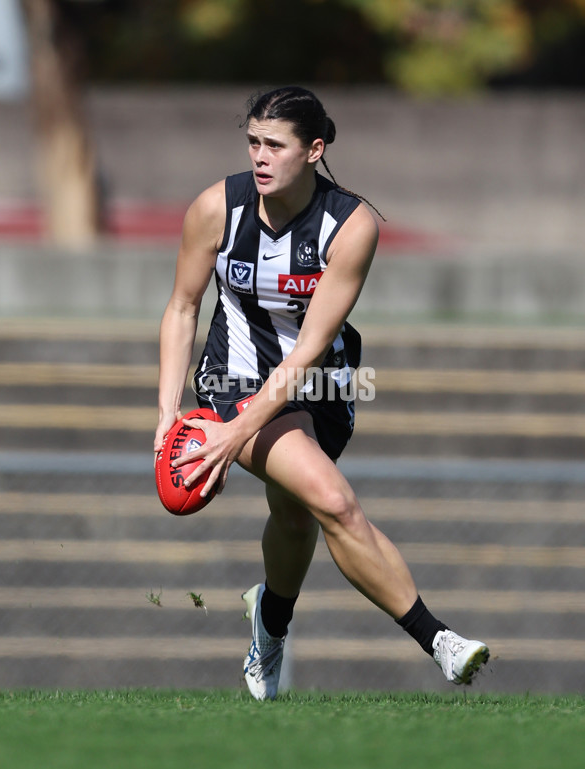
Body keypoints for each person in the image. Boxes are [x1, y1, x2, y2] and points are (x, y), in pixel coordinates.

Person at [154, 85, 489, 700]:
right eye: (253, 142)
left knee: (293, 512)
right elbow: (182, 308)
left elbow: (307, 352)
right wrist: (171, 413)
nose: (259, 156)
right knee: (331, 499)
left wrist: (235, 435)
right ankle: (440, 639)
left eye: (274, 145)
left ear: (314, 150)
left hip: (320, 383)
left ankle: (270, 626)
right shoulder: (215, 208)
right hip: (233, 379)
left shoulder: (351, 225)